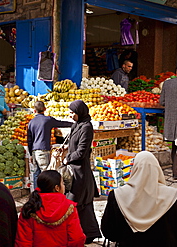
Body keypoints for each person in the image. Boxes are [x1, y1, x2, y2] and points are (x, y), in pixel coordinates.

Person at [101, 151, 177, 246]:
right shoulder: (174, 196)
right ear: (157, 169)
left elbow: (109, 232)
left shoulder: (118, 195)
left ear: (135, 169)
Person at [15, 170, 86, 246]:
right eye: (62, 183)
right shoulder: (69, 207)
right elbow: (76, 238)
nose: (64, 186)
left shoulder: (30, 208)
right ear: (57, 188)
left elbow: (23, 241)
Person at [65, 100, 101, 244]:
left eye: (72, 112)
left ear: (79, 112)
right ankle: (82, 232)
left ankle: (89, 233)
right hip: (73, 170)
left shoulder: (86, 127)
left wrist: (67, 159)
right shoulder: (76, 125)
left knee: (80, 202)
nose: (70, 114)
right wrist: (64, 150)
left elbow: (81, 152)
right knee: (80, 204)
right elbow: (72, 145)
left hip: (80, 171)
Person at [27, 101, 72, 187]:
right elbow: (61, 123)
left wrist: (30, 154)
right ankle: (45, 194)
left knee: (36, 174)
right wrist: (74, 124)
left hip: (34, 151)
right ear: (45, 109)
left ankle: (37, 193)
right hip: (43, 150)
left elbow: (29, 140)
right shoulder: (48, 120)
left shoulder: (31, 122)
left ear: (34, 110)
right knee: (45, 173)